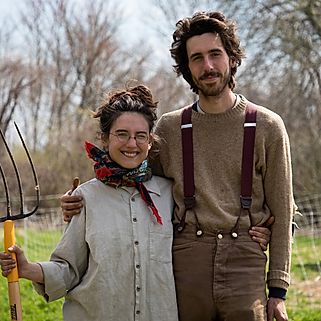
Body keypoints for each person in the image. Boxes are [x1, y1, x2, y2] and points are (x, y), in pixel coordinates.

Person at [60, 11, 292, 321]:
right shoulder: (169, 129)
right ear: (186, 68)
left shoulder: (266, 125)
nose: (207, 66)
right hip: (185, 259)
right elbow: (130, 182)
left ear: (231, 58)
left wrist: (277, 290)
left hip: (245, 261)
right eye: (196, 58)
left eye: (215, 54)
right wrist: (79, 202)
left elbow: (284, 207)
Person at [0, 85, 179, 321]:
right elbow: (68, 270)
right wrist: (27, 269)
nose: (131, 143)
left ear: (150, 141)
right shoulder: (84, 198)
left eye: (140, 136)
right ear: (105, 138)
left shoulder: (170, 195)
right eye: (122, 134)